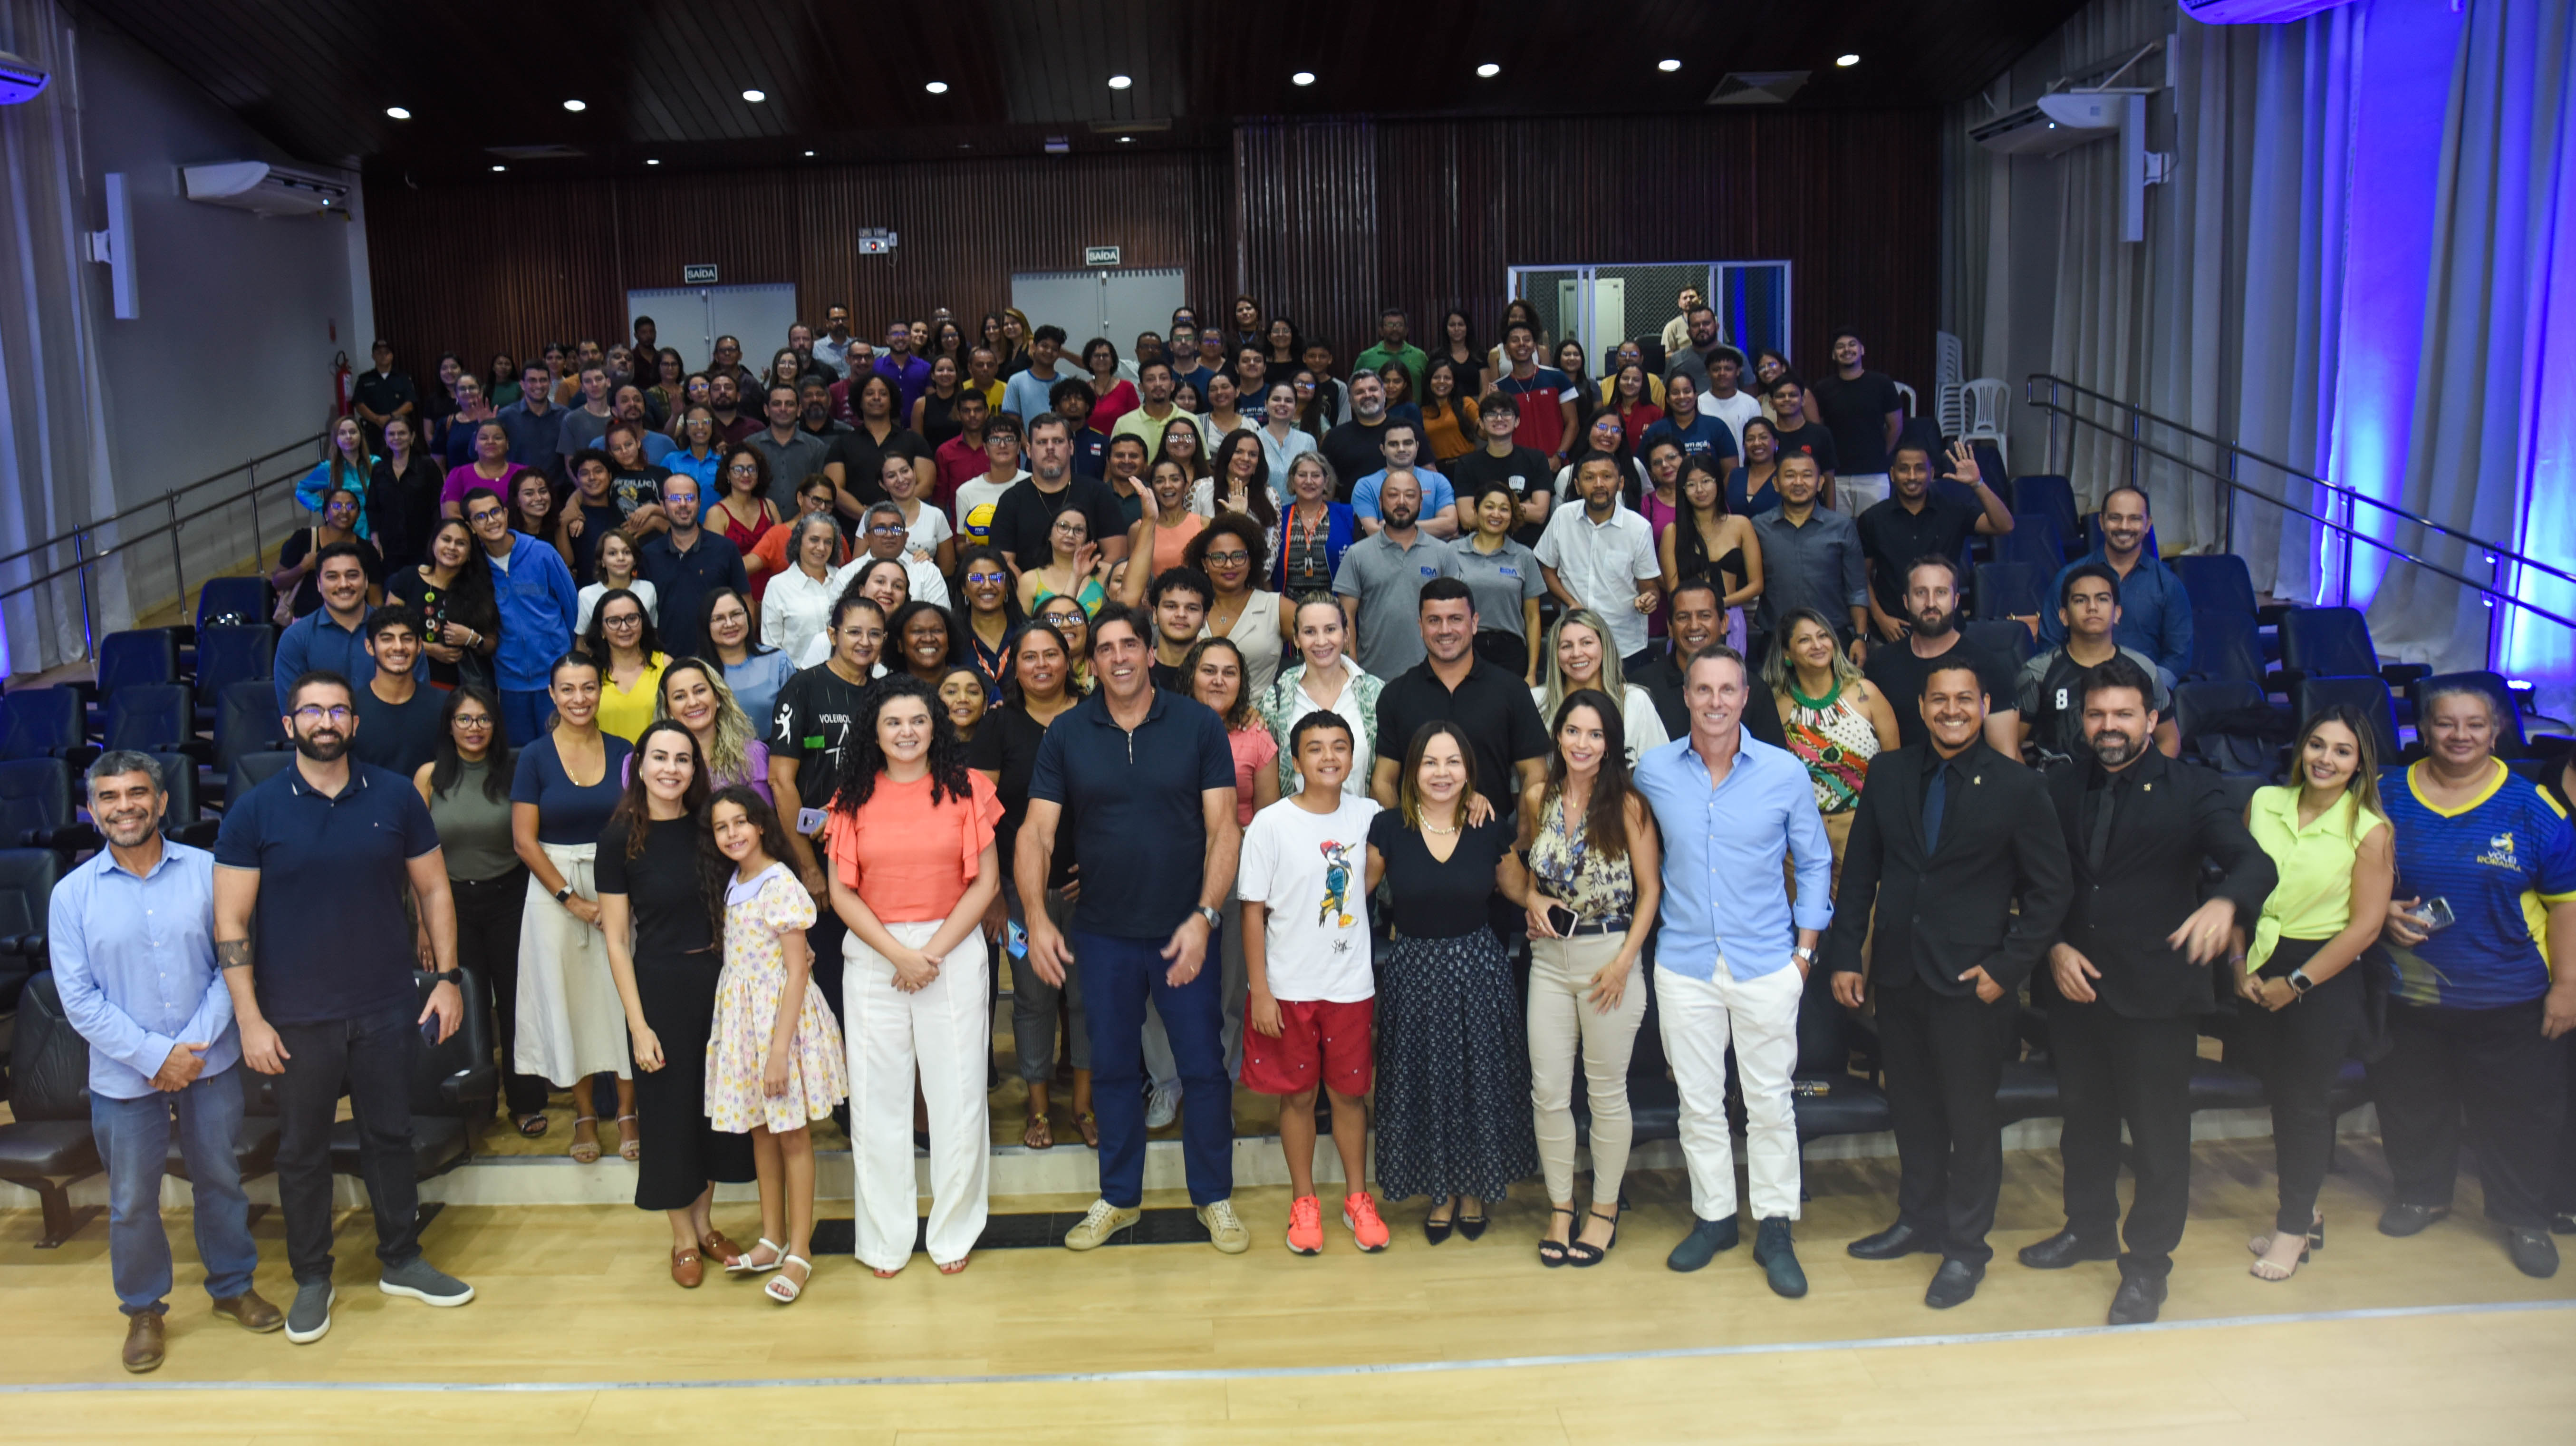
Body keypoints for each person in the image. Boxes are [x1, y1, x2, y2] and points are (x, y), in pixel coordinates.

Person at [214, 669, 474, 1344]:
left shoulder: (394, 796)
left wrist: (446, 977)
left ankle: (402, 1258)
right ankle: (311, 1278)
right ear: (289, 722)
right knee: (302, 1150)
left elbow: (436, 891)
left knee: (390, 1135)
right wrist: (249, 1017)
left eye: (338, 710)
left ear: (355, 724)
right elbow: (231, 922)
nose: (325, 721)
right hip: (297, 1013)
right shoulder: (255, 810)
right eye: (312, 711)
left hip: (387, 1002)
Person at [2025, 655, 2277, 1324]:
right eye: (2096, 714)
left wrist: (2226, 905)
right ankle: (2086, 1229)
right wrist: (2050, 946)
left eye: (2122, 714)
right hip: (2073, 985)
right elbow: (2035, 882)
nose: (2108, 726)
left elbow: (2254, 863)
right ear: (2080, 719)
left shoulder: (2193, 789)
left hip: (2158, 995)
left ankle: (2145, 1267)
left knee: (2158, 1138)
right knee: (2082, 1125)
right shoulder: (2053, 785)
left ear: (2151, 718)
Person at [1827, 660, 2072, 1310]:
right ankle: (1918, 1220)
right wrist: (1847, 954)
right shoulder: (1889, 772)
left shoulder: (2018, 787)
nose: (1952, 710)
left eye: (1965, 699)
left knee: (1970, 1119)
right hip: (1899, 977)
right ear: (1922, 706)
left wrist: (2007, 967)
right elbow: (1859, 876)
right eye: (1939, 699)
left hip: (1973, 985)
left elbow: (2051, 892)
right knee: (1912, 1110)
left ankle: (1966, 1250)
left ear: (1984, 704)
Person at [1018, 603, 1251, 1253]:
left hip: (1185, 928)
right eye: (1104, 648)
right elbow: (1035, 831)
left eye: (1130, 645)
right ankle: (1118, 1199)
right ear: (1089, 663)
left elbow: (1222, 828)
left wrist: (1206, 918)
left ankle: (1214, 1197)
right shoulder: (1066, 732)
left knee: (1203, 1068)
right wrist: (1035, 917)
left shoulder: (1198, 725)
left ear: (1151, 654)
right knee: (1115, 1069)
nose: (1118, 657)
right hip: (1103, 933)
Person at [53, 753, 279, 1371]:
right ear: (92, 809)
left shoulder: (210, 872)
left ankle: (233, 1286)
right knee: (130, 1199)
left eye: (136, 793)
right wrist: (157, 1057)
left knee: (221, 1179)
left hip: (209, 1061)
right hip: (124, 1075)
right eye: (108, 796)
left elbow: (231, 964)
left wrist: (190, 1051)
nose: (124, 806)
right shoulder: (70, 895)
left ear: (161, 801)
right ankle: (144, 1309)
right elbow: (78, 999)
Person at [1636, 647, 1832, 1299]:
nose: (1714, 701)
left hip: (1765, 963)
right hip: (1685, 965)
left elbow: (1813, 863)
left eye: (1726, 689)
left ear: (1745, 696)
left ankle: (1773, 1226)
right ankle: (1714, 1216)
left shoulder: (1782, 773)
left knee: (1769, 1102)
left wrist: (1803, 955)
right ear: (1685, 697)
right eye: (1702, 690)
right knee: (1697, 1104)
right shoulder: (1656, 771)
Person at [2372, 682, 2576, 1278]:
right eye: (2444, 723)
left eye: (2474, 724)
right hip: (2409, 989)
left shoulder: (2535, 807)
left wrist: (2566, 986)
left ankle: (2524, 1218)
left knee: (2520, 1115)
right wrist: (2381, 911)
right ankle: (2421, 1193)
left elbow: (2566, 904)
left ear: (2496, 732)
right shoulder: (2385, 797)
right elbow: (2345, 875)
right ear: (2421, 729)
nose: (2459, 735)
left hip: (2510, 994)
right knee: (2411, 1102)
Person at [824, 679, 1003, 1277]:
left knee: (957, 1094)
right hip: (876, 953)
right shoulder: (851, 795)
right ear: (874, 732)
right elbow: (839, 892)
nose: (906, 732)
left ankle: (953, 1231)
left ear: (935, 726)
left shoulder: (967, 788)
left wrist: (929, 951)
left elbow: (986, 884)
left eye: (917, 721)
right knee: (877, 1100)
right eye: (893, 722)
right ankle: (884, 1239)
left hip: (950, 948)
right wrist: (898, 954)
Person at [2213, 708, 2390, 1282]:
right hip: (2258, 960)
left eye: (2342, 751)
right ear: (2301, 747)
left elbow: (2364, 927)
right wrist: (2238, 961)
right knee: (2278, 1094)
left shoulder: (2369, 829)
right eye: (2317, 744)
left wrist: (2297, 984)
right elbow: (2240, 884)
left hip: (2322, 975)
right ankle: (2304, 1212)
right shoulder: (2264, 801)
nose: (2325, 759)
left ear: (2359, 763)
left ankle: (2292, 1230)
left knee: (2304, 1104)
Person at [1502, 690, 1664, 1268]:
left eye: (1595, 734)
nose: (1582, 743)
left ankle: (1603, 1209)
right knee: (1547, 1092)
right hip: (1548, 959)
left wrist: (1624, 962)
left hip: (1608, 959)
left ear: (1610, 742)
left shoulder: (1629, 803)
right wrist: (1531, 897)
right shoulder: (1538, 796)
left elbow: (1651, 891)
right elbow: (1515, 867)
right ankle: (1560, 1207)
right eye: (1573, 731)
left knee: (1604, 1091)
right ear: (1558, 735)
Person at [597, 721, 754, 1288]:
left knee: (713, 1107)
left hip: (719, 980)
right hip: (659, 987)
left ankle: (707, 1224)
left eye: (682, 759)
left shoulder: (711, 824)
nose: (671, 768)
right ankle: (682, 1238)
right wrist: (638, 1025)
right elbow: (617, 938)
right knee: (668, 1113)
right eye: (659, 757)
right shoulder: (620, 836)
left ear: (696, 768)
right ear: (639, 765)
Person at [1366, 719, 1534, 1240]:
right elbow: (1351, 895)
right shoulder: (1388, 827)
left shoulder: (1490, 825)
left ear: (1469, 771)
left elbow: (1518, 890)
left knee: (1475, 1085)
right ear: (1412, 771)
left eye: (1453, 762)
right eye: (1430, 762)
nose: (1442, 773)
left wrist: (1551, 905)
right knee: (1424, 1086)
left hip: (1477, 972)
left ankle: (1471, 1190)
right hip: (1413, 971)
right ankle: (1438, 1192)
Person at [1239, 711, 1390, 1255]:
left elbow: (1374, 871)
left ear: (1353, 756)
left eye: (1339, 747)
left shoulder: (1370, 815)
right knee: (1298, 1096)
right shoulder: (1271, 823)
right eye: (1315, 748)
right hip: (1288, 986)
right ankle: (1304, 1200)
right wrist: (1260, 987)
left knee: (1350, 1094)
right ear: (1295, 760)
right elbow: (1252, 910)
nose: (1329, 757)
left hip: (1349, 986)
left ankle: (1357, 1197)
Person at [703, 786, 847, 1303]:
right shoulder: (736, 881)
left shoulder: (779, 882)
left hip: (779, 1027)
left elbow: (795, 971)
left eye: (740, 822)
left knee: (791, 1135)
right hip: (745, 1024)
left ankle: (800, 1249)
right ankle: (770, 1236)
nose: (732, 833)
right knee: (761, 1131)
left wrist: (780, 1049)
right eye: (721, 827)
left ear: (761, 824)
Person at [510, 652, 639, 1165]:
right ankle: (584, 1112)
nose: (579, 698)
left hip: (617, 880)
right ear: (552, 694)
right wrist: (572, 899)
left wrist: (613, 897)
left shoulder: (625, 750)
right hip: (552, 889)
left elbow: (638, 824)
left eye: (588, 687)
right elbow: (524, 840)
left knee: (619, 998)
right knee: (568, 1000)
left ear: (600, 690)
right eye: (568, 689)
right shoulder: (535, 756)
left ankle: (628, 1111)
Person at [972, 617, 1094, 1149]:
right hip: (1023, 893)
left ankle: (1085, 1108)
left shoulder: (1097, 716)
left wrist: (1101, 868)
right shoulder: (997, 726)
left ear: (1069, 661)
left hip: (1092, 890)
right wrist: (995, 891)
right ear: (1012, 667)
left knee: (1091, 999)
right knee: (1032, 998)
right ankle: (1039, 1108)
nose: (1041, 664)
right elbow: (979, 816)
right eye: (1029, 656)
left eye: (1052, 654)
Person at [412, 685, 549, 1136]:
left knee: (516, 1003)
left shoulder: (515, 769)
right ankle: (475, 1103)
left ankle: (526, 1101)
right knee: (464, 1004)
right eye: (465, 719)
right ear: (449, 725)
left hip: (511, 898)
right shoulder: (429, 777)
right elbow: (414, 858)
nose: (475, 728)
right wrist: (423, 927)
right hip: (450, 905)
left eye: (483, 719)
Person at [768, 595, 890, 1023]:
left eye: (874, 633)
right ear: (832, 634)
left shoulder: (887, 696)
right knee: (828, 983)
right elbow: (781, 781)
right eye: (854, 632)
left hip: (876, 857)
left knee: (876, 975)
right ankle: (835, 1089)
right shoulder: (801, 688)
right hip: (817, 857)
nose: (864, 642)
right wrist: (808, 866)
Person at [1368, 579, 1552, 838]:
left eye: (1455, 619)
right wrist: (1405, 841)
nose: (1445, 630)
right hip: (1419, 847)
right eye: (1434, 621)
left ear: (1474, 623)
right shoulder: (1396, 694)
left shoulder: (1511, 690)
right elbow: (1383, 782)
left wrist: (1520, 841)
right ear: (1421, 627)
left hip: (1494, 848)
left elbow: (1534, 774)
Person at [1765, 608, 1902, 874]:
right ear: (1786, 654)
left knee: (1864, 915)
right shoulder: (1774, 705)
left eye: (1823, 636)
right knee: (1806, 916)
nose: (1817, 645)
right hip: (1799, 836)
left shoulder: (1866, 693)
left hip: (1862, 829)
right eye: (1804, 640)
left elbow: (1895, 770)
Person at [2017, 563, 2180, 764]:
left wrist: (2144, 784)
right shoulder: (2037, 673)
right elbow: (2009, 746)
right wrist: (2036, 792)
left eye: (2102, 599)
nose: (2092, 607)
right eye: (2080, 600)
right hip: (2058, 789)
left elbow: (2169, 739)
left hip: (2130, 787)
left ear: (2118, 613)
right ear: (2064, 616)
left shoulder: (2144, 669)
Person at [1860, 555, 2021, 755]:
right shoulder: (1878, 666)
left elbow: (2005, 759)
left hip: (1974, 783)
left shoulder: (1989, 667)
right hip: (1900, 783)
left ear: (1955, 601)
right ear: (1906, 602)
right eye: (1921, 593)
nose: (1931, 603)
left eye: (1941, 593)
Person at [1858, 442, 2014, 644]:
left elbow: (2005, 525)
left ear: (1932, 474)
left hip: (1946, 630)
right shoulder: (1872, 519)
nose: (1912, 476)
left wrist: (1978, 484)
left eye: (1920, 469)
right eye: (1904, 469)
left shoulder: (1954, 512)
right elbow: (1862, 577)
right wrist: (1880, 619)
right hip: (1892, 632)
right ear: (1892, 474)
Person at [460, 485, 580, 747]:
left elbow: (572, 609)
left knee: (561, 751)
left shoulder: (541, 553)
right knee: (520, 756)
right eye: (480, 517)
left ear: (506, 513)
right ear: (470, 527)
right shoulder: (473, 569)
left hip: (555, 676)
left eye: (495, 512)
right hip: (510, 683)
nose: (491, 521)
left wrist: (572, 662)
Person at [2036, 486, 2194, 679]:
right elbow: (2049, 645)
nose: (2124, 527)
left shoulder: (2168, 584)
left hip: (2144, 696)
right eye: (2115, 518)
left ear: (2148, 524)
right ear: (2102, 522)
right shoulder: (2069, 578)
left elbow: (2178, 656)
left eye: (2134, 518)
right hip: (2079, 694)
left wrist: (2149, 690)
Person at [1538, 451, 1663, 671]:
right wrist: (1570, 602)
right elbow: (1546, 569)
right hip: (1574, 643)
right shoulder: (1562, 517)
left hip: (1624, 645)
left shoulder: (1638, 528)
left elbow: (1650, 588)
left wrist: (1649, 599)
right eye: (1589, 478)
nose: (1598, 484)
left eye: (1607, 477)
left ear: (1621, 483)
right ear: (1577, 486)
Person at [1332, 471, 1461, 680]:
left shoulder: (1443, 553)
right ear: (1381, 502)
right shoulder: (1357, 554)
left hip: (1434, 675)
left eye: (1410, 495)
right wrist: (1352, 670)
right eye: (1393, 495)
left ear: (1421, 503)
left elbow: (1457, 614)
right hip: (1373, 677)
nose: (1402, 502)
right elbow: (1346, 617)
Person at [1750, 452, 1868, 666]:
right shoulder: (1758, 527)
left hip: (1832, 639)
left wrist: (1861, 638)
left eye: (1807, 475)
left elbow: (1858, 589)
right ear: (1776, 483)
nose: (1798, 482)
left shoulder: (1842, 527)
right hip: (1777, 642)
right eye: (1790, 476)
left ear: (1820, 482)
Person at [273, 543, 404, 718]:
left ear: (366, 581)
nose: (344, 584)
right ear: (319, 585)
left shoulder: (399, 632)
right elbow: (294, 712)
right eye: (332, 577)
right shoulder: (296, 638)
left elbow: (416, 699)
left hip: (391, 739)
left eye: (352, 575)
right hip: (324, 740)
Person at [1533, 609, 1670, 766]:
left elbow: (1660, 769)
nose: (1577, 653)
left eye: (1587, 643)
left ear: (1604, 647)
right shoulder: (1536, 702)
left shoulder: (1635, 700)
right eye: (1566, 646)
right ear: (1555, 654)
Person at [637, 474, 748, 661]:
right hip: (668, 661)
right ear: (663, 506)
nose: (683, 504)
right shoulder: (648, 555)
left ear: (699, 503)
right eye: (674, 498)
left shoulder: (725, 549)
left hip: (722, 658)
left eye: (689, 498)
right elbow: (644, 615)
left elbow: (745, 603)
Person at [1661, 455, 1764, 656]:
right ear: (1682, 490)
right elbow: (1673, 590)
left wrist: (1718, 605)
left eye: (1706, 481)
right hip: (1689, 621)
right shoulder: (1672, 532)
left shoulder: (1741, 525)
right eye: (1691, 484)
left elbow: (1757, 585)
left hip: (1731, 616)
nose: (1700, 490)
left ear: (1718, 482)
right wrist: (1701, 610)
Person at [1448, 481, 1547, 680]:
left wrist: (1531, 672)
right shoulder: (1451, 552)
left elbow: (1532, 617)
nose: (1496, 514)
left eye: (1504, 509)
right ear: (1476, 511)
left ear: (1512, 515)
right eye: (1489, 507)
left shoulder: (1524, 556)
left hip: (1510, 653)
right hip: (1463, 647)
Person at [1186, 514, 1289, 699]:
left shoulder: (1275, 608)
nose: (1229, 565)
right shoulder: (1188, 608)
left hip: (1258, 721)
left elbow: (1322, 644)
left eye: (1239, 556)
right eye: (1218, 557)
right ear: (1205, 564)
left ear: (1251, 561)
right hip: (1197, 720)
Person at [1810, 330, 1905, 513]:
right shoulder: (1823, 388)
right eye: (1840, 347)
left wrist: (1880, 454)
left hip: (1874, 475)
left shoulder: (1882, 383)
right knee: (1839, 533)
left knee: (1873, 533)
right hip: (1836, 476)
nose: (1847, 350)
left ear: (1862, 350)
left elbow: (1896, 426)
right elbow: (1820, 430)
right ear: (1833, 355)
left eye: (1852, 344)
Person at [655, 657, 773, 801]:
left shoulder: (752, 756)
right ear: (668, 710)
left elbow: (763, 819)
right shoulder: (654, 764)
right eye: (680, 697)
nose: (693, 702)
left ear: (717, 697)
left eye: (700, 691)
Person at [1447, 391, 1555, 546]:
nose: (1499, 419)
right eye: (1492, 414)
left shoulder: (1537, 459)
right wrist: (1522, 506)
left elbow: (1539, 514)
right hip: (1483, 550)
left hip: (1528, 548)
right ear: (1482, 424)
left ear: (1517, 421)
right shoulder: (1467, 464)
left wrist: (1485, 509)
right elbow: (1467, 520)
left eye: (1506, 413)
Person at [350, 605, 444, 776]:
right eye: (387, 639)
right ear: (370, 647)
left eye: (407, 639)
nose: (399, 647)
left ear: (419, 646)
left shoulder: (445, 706)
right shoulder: (350, 709)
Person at [273, 488, 383, 620]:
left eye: (351, 507)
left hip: (352, 623)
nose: (344, 511)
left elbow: (375, 600)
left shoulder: (367, 550)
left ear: (358, 515)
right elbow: (277, 582)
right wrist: (303, 567)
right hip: (306, 623)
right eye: (337, 506)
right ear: (326, 513)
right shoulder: (303, 539)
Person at [743, 474, 849, 606]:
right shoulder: (777, 535)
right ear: (800, 498)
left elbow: (850, 576)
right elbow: (742, 568)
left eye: (828, 503)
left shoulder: (835, 537)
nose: (822, 507)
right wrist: (749, 604)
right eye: (816, 500)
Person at [702, 587, 795, 737]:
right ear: (706, 625)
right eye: (719, 618)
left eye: (736, 614)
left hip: (775, 755)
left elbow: (798, 718)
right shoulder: (698, 671)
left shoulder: (778, 662)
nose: (730, 624)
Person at [584, 589, 669, 745]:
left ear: (643, 622)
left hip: (657, 763)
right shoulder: (587, 672)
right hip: (604, 765)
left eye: (632, 618)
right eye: (614, 621)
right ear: (601, 630)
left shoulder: (666, 665)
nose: (625, 628)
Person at [761, 514, 846, 660]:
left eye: (828, 542)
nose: (821, 548)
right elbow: (771, 646)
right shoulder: (778, 586)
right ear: (798, 541)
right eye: (814, 540)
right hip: (796, 675)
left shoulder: (844, 579)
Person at [370, 416, 445, 573]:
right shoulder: (379, 469)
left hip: (423, 546)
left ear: (412, 436)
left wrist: (436, 540)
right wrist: (375, 541)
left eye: (402, 433)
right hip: (390, 548)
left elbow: (437, 506)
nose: (396, 438)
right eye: (391, 434)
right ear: (385, 438)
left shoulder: (427, 466)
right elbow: (373, 508)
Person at [951, 411, 1026, 547]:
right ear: (985, 448)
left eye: (1009, 439)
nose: (1002, 445)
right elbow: (961, 545)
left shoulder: (1033, 483)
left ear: (1018, 448)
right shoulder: (966, 492)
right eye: (995, 440)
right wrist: (969, 549)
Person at [298, 414, 380, 537]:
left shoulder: (376, 463)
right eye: (343, 433)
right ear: (336, 438)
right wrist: (325, 508)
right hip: (348, 531)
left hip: (379, 529)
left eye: (353, 432)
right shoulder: (328, 468)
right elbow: (302, 490)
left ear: (361, 436)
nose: (349, 437)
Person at [575, 527, 657, 635]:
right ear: (602, 561)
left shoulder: (648, 589)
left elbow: (653, 632)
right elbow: (582, 639)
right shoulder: (586, 595)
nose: (621, 558)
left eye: (627, 552)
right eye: (612, 553)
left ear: (635, 560)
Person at [1355, 306, 1428, 399]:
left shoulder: (1420, 357)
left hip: (1414, 413)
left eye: (1399, 325)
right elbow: (1355, 389)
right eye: (1390, 325)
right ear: (1381, 330)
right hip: (1376, 413)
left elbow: (1429, 389)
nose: (1395, 329)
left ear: (1407, 331)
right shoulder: (1366, 358)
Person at [1728, 417, 1785, 519]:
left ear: (1776, 443)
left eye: (1763, 437)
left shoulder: (1785, 477)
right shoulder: (1735, 476)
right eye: (1750, 439)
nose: (1757, 443)